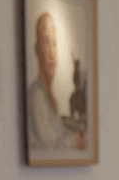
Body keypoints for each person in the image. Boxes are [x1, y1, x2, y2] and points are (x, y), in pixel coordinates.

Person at [27, 13, 82, 151]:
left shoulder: (50, 97)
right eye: (46, 42)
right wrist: (75, 141)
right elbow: (51, 146)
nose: (52, 53)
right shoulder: (36, 95)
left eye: (54, 44)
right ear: (37, 49)